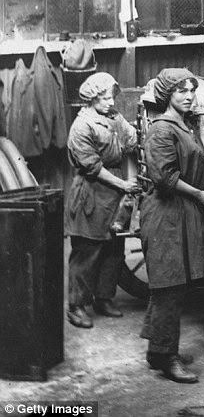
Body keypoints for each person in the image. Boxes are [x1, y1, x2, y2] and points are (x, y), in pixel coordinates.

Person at [140, 68, 204, 383]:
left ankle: (158, 351)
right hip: (165, 216)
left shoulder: (184, 125)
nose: (188, 96)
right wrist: (200, 192)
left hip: (182, 212)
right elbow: (166, 178)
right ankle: (167, 358)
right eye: (181, 91)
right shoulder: (161, 129)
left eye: (191, 90)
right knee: (169, 286)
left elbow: (190, 166)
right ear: (167, 95)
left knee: (174, 286)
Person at [64, 72, 140, 329]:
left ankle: (103, 298)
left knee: (113, 249)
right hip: (92, 192)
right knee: (88, 252)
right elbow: (92, 167)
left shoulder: (114, 117)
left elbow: (131, 139)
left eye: (111, 97)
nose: (110, 102)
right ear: (91, 98)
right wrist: (124, 184)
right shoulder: (82, 126)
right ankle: (76, 306)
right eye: (104, 97)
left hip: (114, 194)